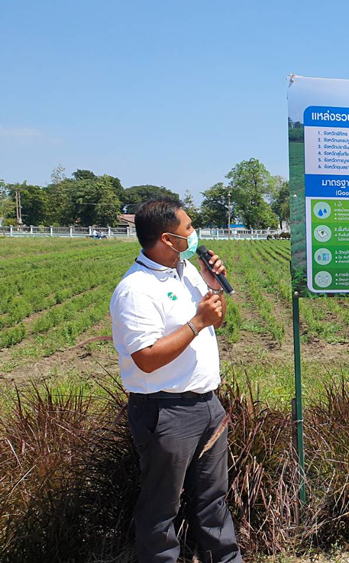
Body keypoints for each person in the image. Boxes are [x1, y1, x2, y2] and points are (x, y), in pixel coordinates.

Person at [110, 198, 242, 563]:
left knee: (213, 501)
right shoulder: (135, 290)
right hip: (164, 412)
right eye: (188, 229)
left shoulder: (186, 271)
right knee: (161, 508)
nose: (194, 234)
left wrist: (214, 287)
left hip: (207, 405)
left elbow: (216, 319)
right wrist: (195, 322)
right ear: (168, 239)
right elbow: (146, 358)